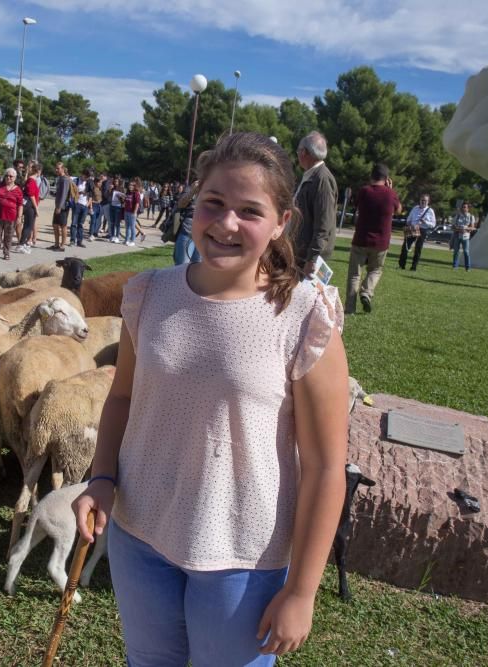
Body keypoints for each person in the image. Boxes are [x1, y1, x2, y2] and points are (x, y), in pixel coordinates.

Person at [72, 132, 348, 666]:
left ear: (281, 224)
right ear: (194, 203)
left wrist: (302, 591)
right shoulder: (148, 294)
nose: (225, 224)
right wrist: (101, 478)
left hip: (242, 555)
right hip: (139, 535)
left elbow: (324, 466)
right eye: (214, 204)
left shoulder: (304, 317)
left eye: (250, 211)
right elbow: (124, 398)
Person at [345, 164, 402, 314]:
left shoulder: (365, 191)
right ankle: (366, 292)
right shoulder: (391, 194)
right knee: (376, 270)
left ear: (371, 176)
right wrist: (391, 189)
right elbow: (399, 210)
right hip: (381, 242)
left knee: (354, 274)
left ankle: (350, 308)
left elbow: (355, 205)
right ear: (387, 179)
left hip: (361, 239)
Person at [292, 131, 338, 276]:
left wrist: (312, 258)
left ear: (304, 152)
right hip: (300, 251)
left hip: (307, 256)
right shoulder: (312, 175)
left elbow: (323, 225)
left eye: (298, 150)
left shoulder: (322, 180)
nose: (297, 154)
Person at [0, 167, 24, 260]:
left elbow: (20, 204)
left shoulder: (18, 190)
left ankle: (6, 253)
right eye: (7, 176)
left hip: (11, 217)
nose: (8, 178)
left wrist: (19, 217)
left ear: (15, 178)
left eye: (11, 176)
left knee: (8, 236)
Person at [397, 194, 435, 271]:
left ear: (428, 202)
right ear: (419, 200)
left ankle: (413, 267)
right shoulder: (415, 208)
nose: (423, 202)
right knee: (405, 247)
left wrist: (425, 222)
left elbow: (433, 224)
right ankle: (401, 265)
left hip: (422, 230)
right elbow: (409, 219)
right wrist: (409, 223)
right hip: (413, 228)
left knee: (418, 249)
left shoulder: (430, 211)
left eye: (425, 200)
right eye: (422, 200)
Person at [17, 162, 42, 254]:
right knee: (29, 226)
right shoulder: (31, 180)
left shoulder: (31, 180)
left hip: (30, 205)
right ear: (38, 171)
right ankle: (21, 244)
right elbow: (31, 195)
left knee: (28, 226)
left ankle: (22, 243)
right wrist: (36, 208)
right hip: (29, 206)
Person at [172, 185, 200, 265]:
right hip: (188, 232)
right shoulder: (192, 186)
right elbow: (180, 204)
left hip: (205, 236)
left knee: (200, 267)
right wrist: (193, 191)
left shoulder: (215, 185)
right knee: (182, 266)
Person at [451, 202, 477, 270]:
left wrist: (465, 228)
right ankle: (455, 266)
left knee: (466, 252)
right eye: (463, 207)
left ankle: (467, 267)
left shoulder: (471, 217)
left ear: (468, 209)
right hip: (457, 236)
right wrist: (459, 229)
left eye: (465, 207)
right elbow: (452, 227)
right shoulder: (458, 216)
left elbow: (473, 228)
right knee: (456, 251)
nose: (463, 208)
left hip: (466, 237)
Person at [51, 162, 71, 252]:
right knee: (55, 225)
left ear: (63, 169)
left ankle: (62, 246)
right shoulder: (60, 179)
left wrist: (59, 206)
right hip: (58, 205)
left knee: (63, 225)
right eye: (56, 168)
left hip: (62, 206)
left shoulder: (65, 179)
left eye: (58, 168)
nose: (56, 170)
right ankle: (56, 244)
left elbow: (64, 194)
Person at [70, 169, 92, 248]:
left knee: (81, 224)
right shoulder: (75, 180)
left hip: (84, 205)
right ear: (82, 174)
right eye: (85, 177)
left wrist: (88, 204)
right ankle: (72, 240)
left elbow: (90, 193)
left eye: (87, 177)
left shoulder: (89, 182)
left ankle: (79, 241)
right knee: (74, 223)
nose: (86, 179)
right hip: (77, 204)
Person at [122, 178, 142, 246]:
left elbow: (137, 203)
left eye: (132, 185)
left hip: (132, 212)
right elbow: (126, 201)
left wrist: (135, 212)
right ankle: (126, 240)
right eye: (129, 185)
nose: (130, 186)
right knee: (127, 227)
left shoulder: (136, 193)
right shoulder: (128, 192)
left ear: (134, 186)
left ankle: (132, 241)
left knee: (132, 227)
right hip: (126, 211)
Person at [109, 176, 125, 242]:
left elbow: (123, 200)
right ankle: (112, 236)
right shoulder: (112, 188)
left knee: (117, 223)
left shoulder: (121, 189)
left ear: (119, 182)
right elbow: (108, 196)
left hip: (118, 207)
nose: (115, 183)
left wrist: (120, 197)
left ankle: (117, 237)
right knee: (112, 222)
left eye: (117, 181)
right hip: (112, 206)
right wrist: (110, 190)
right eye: (114, 181)